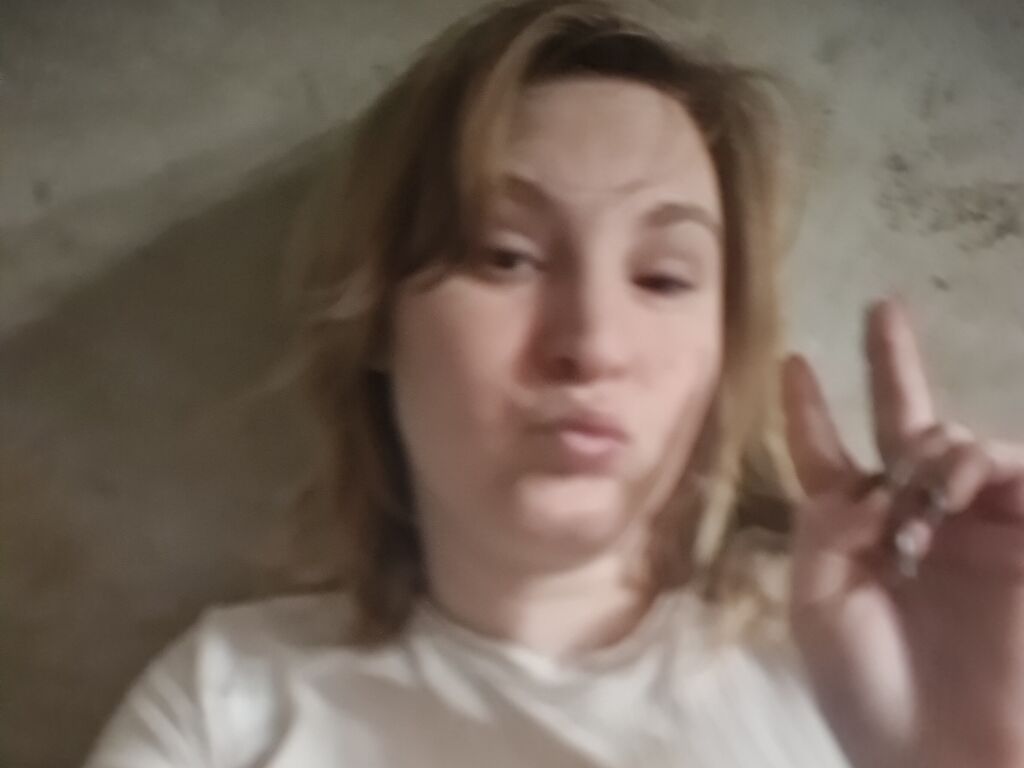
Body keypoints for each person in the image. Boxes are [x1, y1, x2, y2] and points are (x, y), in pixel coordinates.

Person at [84, 1, 1024, 766]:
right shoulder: (227, 704)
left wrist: (967, 757)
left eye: (663, 277)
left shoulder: (848, 668)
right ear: (377, 316)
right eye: (505, 257)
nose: (592, 344)